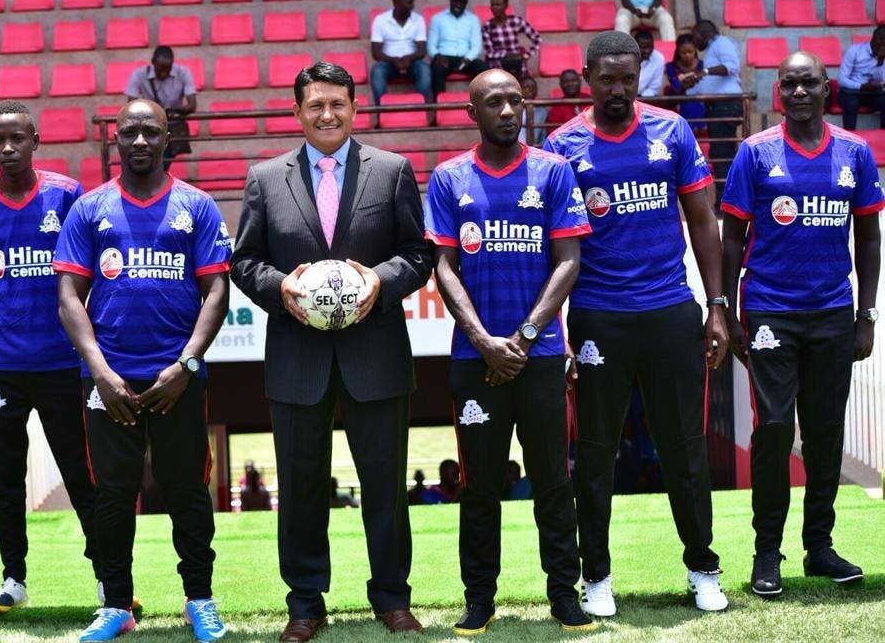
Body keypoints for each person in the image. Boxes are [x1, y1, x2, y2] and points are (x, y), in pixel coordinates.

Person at [231, 62, 432, 642]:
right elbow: (245, 263)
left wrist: (379, 281)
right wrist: (282, 289)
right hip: (298, 356)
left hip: (377, 354)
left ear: (354, 107)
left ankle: (392, 597)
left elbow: (418, 253)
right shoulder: (265, 178)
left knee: (386, 484)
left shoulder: (391, 171)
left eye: (337, 104)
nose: (327, 114)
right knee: (298, 486)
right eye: (315, 104)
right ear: (297, 111)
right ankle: (305, 604)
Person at [544, 31, 730, 617]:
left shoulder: (671, 132)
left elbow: (703, 220)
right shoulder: (562, 145)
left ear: (641, 72)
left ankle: (703, 568)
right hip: (599, 315)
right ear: (587, 76)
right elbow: (554, 249)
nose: (618, 90)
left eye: (628, 78)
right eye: (607, 80)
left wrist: (717, 305)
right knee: (596, 453)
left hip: (671, 309)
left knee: (685, 449)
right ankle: (595, 578)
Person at [54, 99, 232, 643]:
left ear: (167, 136)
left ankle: (199, 599)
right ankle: (115, 604)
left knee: (186, 492)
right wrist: (101, 373)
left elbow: (217, 291)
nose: (137, 141)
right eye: (128, 131)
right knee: (112, 494)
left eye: (149, 131)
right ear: (116, 139)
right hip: (109, 384)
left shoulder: (197, 206)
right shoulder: (89, 209)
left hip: (176, 380)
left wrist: (186, 365)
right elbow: (68, 294)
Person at [426, 68, 595, 634]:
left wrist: (521, 339)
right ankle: (479, 599)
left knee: (553, 481)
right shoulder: (450, 178)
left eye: (514, 101)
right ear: (472, 112)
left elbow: (569, 261)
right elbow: (444, 266)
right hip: (476, 363)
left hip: (540, 358)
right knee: (479, 487)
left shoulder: (553, 171)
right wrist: (482, 340)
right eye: (493, 102)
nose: (506, 110)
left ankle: (563, 595)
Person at [720, 51, 882, 599]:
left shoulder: (855, 153)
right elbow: (731, 237)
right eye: (789, 84)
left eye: (808, 83)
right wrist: (727, 310)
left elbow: (869, 238)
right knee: (772, 430)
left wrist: (866, 315)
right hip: (770, 311)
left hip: (834, 313)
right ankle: (768, 551)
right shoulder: (755, 153)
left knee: (824, 432)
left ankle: (819, 547)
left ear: (828, 87)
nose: (799, 92)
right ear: (777, 94)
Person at [0, 101, 99, 615]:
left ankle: (108, 577)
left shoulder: (67, 196)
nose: (8, 148)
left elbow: (84, 276)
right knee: (5, 478)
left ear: (36, 140)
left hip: (62, 363)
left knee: (82, 472)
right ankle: (13, 579)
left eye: (18, 138)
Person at [691, 20, 743, 201]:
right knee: (721, 153)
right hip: (717, 106)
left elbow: (731, 66)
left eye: (695, 36)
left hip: (726, 105)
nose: (694, 41)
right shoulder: (712, 50)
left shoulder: (722, 43)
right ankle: (727, 200)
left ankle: (726, 203)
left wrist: (703, 72)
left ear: (703, 33)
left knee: (722, 154)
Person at [123, 45, 197, 160]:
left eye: (167, 69)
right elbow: (131, 105)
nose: (163, 73)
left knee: (160, 161)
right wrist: (153, 110)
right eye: (160, 70)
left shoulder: (183, 72)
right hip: (150, 126)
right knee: (158, 161)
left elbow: (192, 105)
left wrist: (172, 110)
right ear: (152, 62)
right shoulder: (139, 74)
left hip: (173, 127)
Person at [370, 0, 432, 105]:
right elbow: (376, 53)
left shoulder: (418, 19)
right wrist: (393, 60)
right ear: (396, 2)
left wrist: (409, 58)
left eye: (412, 2)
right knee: (377, 71)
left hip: (412, 62)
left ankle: (421, 110)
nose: (412, 6)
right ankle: (382, 113)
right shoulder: (381, 20)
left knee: (425, 70)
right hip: (388, 62)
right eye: (408, 3)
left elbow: (422, 51)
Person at [429, 0, 487, 97]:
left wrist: (467, 59)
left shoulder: (473, 19)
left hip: (466, 58)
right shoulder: (437, 18)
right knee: (437, 69)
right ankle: (439, 107)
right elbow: (431, 46)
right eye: (456, 1)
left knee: (483, 69)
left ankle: (482, 107)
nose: (458, 5)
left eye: (463, 2)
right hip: (444, 58)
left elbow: (476, 47)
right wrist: (437, 56)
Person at [482, 0, 542, 77]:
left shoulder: (515, 21)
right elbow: (489, 53)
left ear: (506, 5)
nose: (494, 8)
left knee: (525, 84)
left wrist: (527, 55)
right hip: (498, 65)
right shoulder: (487, 26)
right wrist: (506, 55)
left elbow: (537, 38)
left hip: (518, 63)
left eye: (498, 5)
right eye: (492, 4)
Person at [837, 25, 885, 131]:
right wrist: (861, 86)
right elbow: (841, 79)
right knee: (851, 102)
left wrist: (880, 65)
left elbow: (883, 81)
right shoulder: (854, 51)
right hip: (850, 92)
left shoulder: (882, 56)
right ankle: (849, 137)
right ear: (877, 41)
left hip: (872, 94)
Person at [665, 34, 707, 136]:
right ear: (678, 52)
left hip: (699, 99)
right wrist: (685, 84)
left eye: (690, 52)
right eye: (684, 53)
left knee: (696, 102)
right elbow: (676, 87)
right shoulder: (671, 67)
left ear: (695, 51)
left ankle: (700, 127)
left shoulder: (702, 64)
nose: (687, 55)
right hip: (679, 100)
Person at [517, 74, 548, 146]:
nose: (530, 89)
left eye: (533, 87)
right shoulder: (514, 109)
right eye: (526, 87)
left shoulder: (543, 111)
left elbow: (543, 135)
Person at [636, 30, 664, 97]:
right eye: (644, 48)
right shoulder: (627, 57)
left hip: (644, 98)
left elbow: (654, 88)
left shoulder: (658, 59)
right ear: (636, 47)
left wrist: (639, 101)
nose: (648, 51)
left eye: (651, 47)